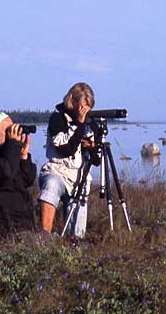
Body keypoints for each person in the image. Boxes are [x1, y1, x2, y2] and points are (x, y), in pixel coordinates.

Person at [38, 82, 96, 237]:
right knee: (51, 185)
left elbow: (96, 161)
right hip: (56, 170)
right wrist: (79, 123)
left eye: (88, 107)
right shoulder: (57, 118)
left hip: (78, 176)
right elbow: (64, 148)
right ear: (74, 103)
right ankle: (44, 236)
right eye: (82, 107)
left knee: (77, 235)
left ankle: (73, 242)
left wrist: (92, 146)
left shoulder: (88, 123)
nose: (84, 111)